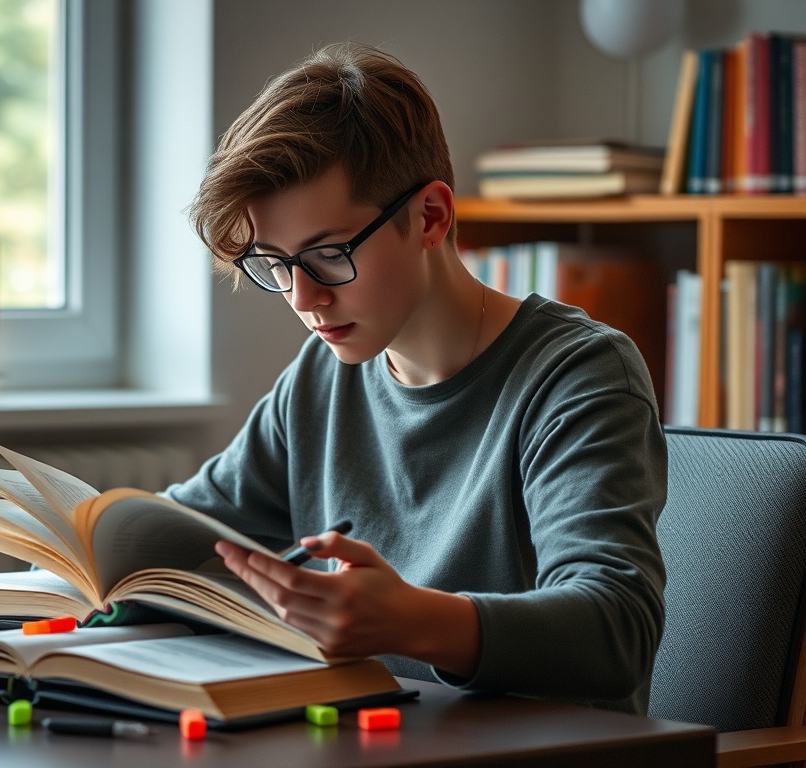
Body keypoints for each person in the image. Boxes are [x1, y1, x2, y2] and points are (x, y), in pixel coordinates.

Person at [169, 41, 667, 714]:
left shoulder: (578, 374)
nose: (303, 299)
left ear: (430, 216)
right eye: (275, 263)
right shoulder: (324, 374)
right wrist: (71, 552)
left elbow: (617, 631)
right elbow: (188, 529)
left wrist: (413, 621)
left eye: (328, 254)